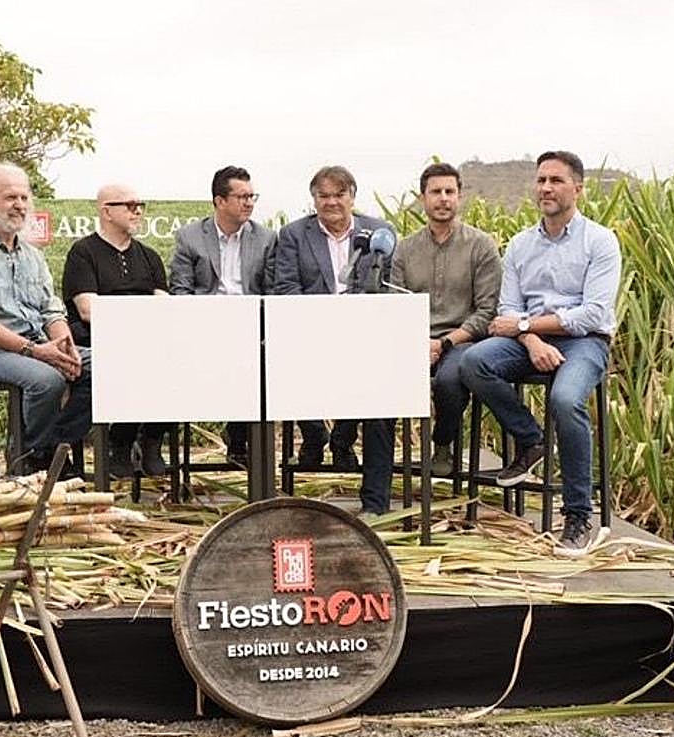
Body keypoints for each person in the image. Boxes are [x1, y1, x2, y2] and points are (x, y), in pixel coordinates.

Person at [460, 151, 620, 557]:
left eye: (556, 181)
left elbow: (592, 314)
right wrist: (530, 338)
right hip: (527, 339)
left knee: (565, 399)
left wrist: (526, 327)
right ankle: (532, 441)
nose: (546, 188)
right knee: (474, 361)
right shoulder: (520, 244)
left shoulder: (599, 241)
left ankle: (578, 516)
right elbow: (508, 310)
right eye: (541, 180)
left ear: (578, 189)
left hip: (584, 342)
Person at [0, 162, 92, 476]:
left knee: (106, 367)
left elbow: (51, 310)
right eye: (10, 197)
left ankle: (47, 448)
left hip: (36, 346)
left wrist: (64, 345)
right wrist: (36, 351)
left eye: (24, 198)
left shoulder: (32, 255)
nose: (20, 205)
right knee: (47, 379)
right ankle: (36, 456)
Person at [273, 165, 396, 515]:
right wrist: (322, 326)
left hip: (367, 340)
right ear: (313, 200)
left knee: (382, 400)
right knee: (280, 369)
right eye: (323, 196)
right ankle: (319, 437)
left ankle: (374, 503)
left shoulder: (380, 232)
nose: (331, 203)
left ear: (352, 197)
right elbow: (286, 288)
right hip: (309, 338)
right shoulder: (294, 235)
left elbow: (389, 286)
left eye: (339, 195)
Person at [391, 162, 501, 477]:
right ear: (422, 198)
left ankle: (442, 445)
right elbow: (396, 306)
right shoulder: (404, 250)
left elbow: (487, 310)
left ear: (459, 196)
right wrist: (419, 342)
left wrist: (445, 342)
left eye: (449, 191)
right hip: (413, 340)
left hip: (463, 340)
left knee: (450, 379)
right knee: (381, 373)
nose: (443, 198)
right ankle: (376, 465)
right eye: (436, 192)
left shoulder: (481, 245)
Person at [169, 166, 276, 465]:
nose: (249, 203)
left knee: (257, 359)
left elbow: (271, 292)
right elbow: (181, 290)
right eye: (242, 197)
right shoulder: (190, 237)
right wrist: (203, 324)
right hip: (203, 325)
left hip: (251, 327)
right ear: (219, 201)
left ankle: (241, 439)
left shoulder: (266, 238)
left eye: (252, 196)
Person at [62, 184, 169, 478]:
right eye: (130, 205)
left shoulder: (149, 256)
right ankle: (120, 442)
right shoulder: (83, 253)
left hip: (148, 341)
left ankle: (152, 438)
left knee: (174, 361)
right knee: (131, 360)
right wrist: (139, 320)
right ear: (106, 211)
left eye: (140, 205)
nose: (137, 211)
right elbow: (88, 310)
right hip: (100, 340)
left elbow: (164, 307)